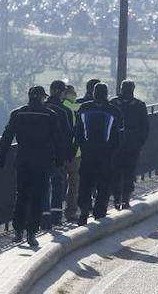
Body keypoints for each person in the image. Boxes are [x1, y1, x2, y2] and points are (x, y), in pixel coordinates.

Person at [0, 86, 64, 246]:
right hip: (42, 162)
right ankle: (32, 233)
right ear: (42, 98)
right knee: (38, 197)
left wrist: (1, 159)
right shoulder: (50, 115)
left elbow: (7, 136)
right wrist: (60, 160)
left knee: (22, 196)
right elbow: (58, 140)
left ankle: (18, 231)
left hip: (23, 160)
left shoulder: (18, 113)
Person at [74, 83, 123, 225]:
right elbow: (118, 136)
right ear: (106, 94)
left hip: (87, 152)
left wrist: (78, 148)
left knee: (85, 182)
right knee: (104, 183)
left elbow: (78, 132)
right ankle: (99, 212)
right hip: (106, 154)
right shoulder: (114, 111)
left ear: (94, 93)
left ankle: (84, 208)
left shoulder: (84, 108)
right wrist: (114, 152)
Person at [110, 80, 149, 210]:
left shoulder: (113, 103)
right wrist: (140, 142)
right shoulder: (139, 105)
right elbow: (145, 127)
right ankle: (126, 200)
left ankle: (116, 200)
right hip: (132, 143)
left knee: (116, 171)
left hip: (116, 142)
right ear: (133, 89)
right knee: (129, 171)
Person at [42, 80, 75, 228]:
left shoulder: (42, 108)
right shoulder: (64, 111)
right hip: (57, 154)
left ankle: (43, 216)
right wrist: (68, 154)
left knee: (42, 184)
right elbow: (68, 135)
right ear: (62, 93)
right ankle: (56, 216)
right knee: (56, 183)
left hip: (40, 153)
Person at [63, 85, 82, 222]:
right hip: (76, 151)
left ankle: (53, 213)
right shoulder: (78, 107)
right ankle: (70, 212)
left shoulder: (60, 106)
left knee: (57, 182)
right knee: (73, 182)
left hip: (59, 150)